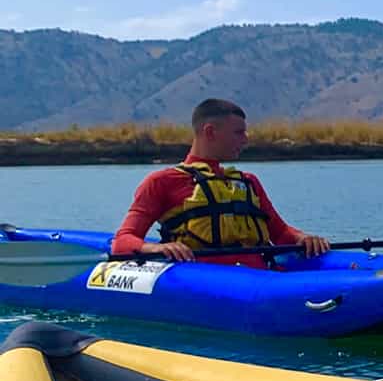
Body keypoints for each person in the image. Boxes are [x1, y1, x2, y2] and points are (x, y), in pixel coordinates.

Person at [111, 99, 334, 270]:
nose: (245, 139)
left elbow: (281, 234)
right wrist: (155, 248)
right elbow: (122, 242)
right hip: (207, 282)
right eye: (238, 132)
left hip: (260, 277)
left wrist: (303, 238)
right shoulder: (162, 182)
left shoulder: (248, 182)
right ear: (210, 132)